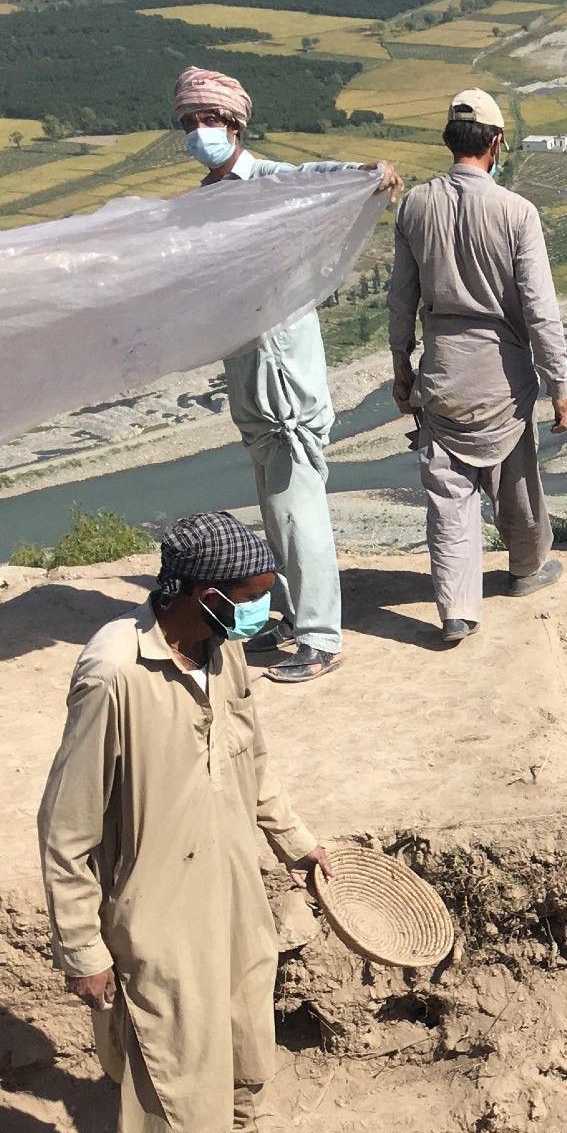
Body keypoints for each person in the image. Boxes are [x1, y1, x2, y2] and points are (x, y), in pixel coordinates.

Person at [38, 512, 341, 1133]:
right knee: (158, 1097)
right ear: (203, 597)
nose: (259, 613)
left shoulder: (225, 651)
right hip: (157, 923)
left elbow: (254, 762)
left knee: (248, 1055)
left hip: (237, 897)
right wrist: (82, 948)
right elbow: (65, 830)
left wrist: (297, 842)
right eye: (248, 600)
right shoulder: (114, 675)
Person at [175, 64, 401, 685]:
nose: (200, 130)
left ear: (235, 125)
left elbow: (318, 178)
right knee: (277, 509)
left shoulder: (271, 183)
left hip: (287, 384)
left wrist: (368, 174)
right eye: (191, 122)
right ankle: (295, 617)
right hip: (250, 380)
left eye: (210, 119)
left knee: (300, 510)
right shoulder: (204, 204)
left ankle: (321, 638)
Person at [386, 89, 567, 648]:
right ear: (495, 144)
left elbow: (401, 299)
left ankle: (456, 610)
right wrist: (560, 384)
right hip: (504, 372)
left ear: (449, 140)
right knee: (516, 475)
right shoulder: (517, 212)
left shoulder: (415, 206)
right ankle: (525, 567)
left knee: (449, 493)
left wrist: (402, 366)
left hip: (442, 369)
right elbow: (540, 308)